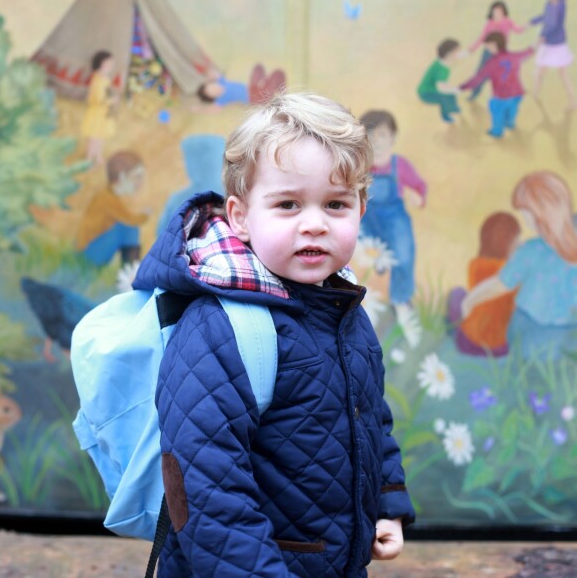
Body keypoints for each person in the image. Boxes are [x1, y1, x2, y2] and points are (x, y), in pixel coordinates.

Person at [132, 93, 415, 576]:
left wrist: (386, 503)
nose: (314, 225)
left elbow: (368, 417)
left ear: (361, 209)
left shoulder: (344, 308)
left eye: (335, 204)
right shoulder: (221, 326)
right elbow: (207, 490)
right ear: (240, 216)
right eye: (287, 204)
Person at [461, 172, 577, 360]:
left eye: (526, 213)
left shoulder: (532, 250)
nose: (525, 220)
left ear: (541, 212)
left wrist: (471, 299)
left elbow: (500, 284)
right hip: (570, 336)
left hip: (531, 333)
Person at [359, 110, 428, 315]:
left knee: (404, 255)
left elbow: (419, 187)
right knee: (358, 250)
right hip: (368, 218)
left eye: (381, 135)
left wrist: (417, 196)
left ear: (393, 137)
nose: (376, 142)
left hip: (395, 220)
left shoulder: (400, 166)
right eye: (370, 136)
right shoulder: (361, 166)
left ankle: (401, 300)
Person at [448, 212, 521, 357]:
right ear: (506, 244)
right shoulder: (511, 276)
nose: (520, 246)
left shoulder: (475, 265)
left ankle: (452, 327)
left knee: (457, 293)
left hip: (466, 342)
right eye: (516, 242)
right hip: (499, 350)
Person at [76, 150, 150, 266]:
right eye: (137, 177)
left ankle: (130, 272)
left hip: (91, 251)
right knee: (129, 227)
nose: (140, 183)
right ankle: (131, 273)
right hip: (87, 255)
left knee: (128, 227)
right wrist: (145, 215)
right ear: (122, 176)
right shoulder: (107, 198)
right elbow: (130, 219)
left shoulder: (109, 196)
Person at [460, 32, 534, 138]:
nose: (487, 49)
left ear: (493, 45)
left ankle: (496, 132)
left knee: (497, 114)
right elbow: (527, 52)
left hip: (501, 96)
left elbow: (478, 79)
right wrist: (532, 47)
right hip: (517, 93)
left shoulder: (491, 63)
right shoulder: (515, 56)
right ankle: (510, 124)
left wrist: (461, 87)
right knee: (513, 109)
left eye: (488, 46)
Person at [467, 1, 527, 101]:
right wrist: (474, 46)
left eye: (499, 11)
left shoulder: (508, 21)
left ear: (504, 12)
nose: (497, 14)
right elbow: (482, 37)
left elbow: (518, 30)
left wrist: (526, 25)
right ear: (492, 12)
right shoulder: (489, 23)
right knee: (480, 73)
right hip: (487, 53)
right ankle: (475, 93)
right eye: (495, 11)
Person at [531, 0, 577, 110]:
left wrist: (542, 36)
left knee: (562, 74)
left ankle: (574, 101)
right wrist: (533, 21)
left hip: (557, 44)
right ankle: (535, 94)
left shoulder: (561, 5)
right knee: (539, 71)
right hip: (548, 43)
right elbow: (546, 17)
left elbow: (554, 24)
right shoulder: (549, 3)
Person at [81, 50, 119, 166]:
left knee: (100, 136)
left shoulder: (104, 78)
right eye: (109, 63)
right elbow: (98, 99)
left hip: (103, 113)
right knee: (93, 138)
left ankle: (97, 156)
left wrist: (112, 97)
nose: (111, 65)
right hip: (97, 113)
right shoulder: (98, 79)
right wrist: (111, 100)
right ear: (102, 64)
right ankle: (88, 158)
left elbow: (105, 93)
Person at [417, 38, 462, 123]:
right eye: (456, 52)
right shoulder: (443, 70)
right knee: (445, 97)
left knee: (451, 93)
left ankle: (453, 108)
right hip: (426, 93)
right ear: (449, 54)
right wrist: (454, 90)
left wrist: (451, 89)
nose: (458, 54)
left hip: (430, 88)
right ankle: (445, 115)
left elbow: (441, 83)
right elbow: (441, 88)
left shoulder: (441, 62)